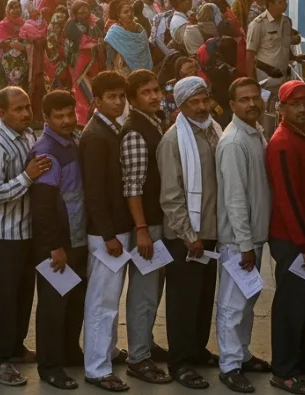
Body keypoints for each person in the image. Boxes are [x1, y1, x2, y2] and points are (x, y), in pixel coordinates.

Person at [0, 86, 52, 385]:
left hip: (26, 233)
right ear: (2, 113)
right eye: (18, 109)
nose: (25, 113)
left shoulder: (27, 136)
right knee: (3, 300)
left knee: (23, 297)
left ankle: (15, 348)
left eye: (27, 107)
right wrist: (27, 177)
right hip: (4, 236)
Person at [158, 75, 222, 388]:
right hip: (187, 237)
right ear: (180, 107)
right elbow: (171, 195)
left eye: (203, 100)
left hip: (210, 231)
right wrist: (188, 235)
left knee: (202, 297)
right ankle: (180, 362)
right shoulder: (173, 140)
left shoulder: (213, 130)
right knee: (183, 301)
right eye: (192, 103)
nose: (200, 107)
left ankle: (197, 350)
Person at [266, 80, 305, 393]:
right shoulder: (283, 142)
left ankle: (302, 360)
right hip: (292, 241)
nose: (304, 108)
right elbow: (287, 199)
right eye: (296, 103)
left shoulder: (303, 134)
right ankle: (284, 371)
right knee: (290, 306)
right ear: (282, 108)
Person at [214, 77, 273, 392]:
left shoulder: (256, 133)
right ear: (232, 105)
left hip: (252, 239)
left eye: (255, 98)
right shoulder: (235, 142)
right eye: (244, 99)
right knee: (232, 305)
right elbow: (235, 200)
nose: (252, 103)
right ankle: (229, 365)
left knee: (247, 302)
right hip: (239, 242)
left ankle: (243, 354)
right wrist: (245, 245)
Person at [30, 89, 89, 390]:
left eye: (70, 113)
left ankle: (69, 352)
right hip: (58, 245)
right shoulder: (46, 152)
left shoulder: (74, 141)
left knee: (74, 301)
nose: (67, 120)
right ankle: (50, 367)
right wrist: (55, 246)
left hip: (78, 240)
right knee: (53, 307)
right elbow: (42, 206)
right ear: (47, 119)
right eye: (60, 116)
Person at [118, 69, 173, 384]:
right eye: (146, 93)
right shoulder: (136, 132)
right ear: (133, 99)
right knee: (144, 292)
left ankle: (145, 343)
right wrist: (141, 229)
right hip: (147, 225)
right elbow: (133, 187)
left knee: (152, 290)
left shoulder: (154, 122)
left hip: (156, 222)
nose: (154, 96)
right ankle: (138, 358)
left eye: (156, 90)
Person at [80, 71, 134, 393]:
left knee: (111, 296)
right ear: (96, 101)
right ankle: (97, 368)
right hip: (106, 234)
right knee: (102, 301)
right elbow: (94, 193)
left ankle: (109, 351)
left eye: (121, 97)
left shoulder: (112, 130)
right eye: (111, 97)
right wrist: (108, 235)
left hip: (116, 229)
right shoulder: (97, 136)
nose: (118, 102)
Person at [245, 0, 299, 99]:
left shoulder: (287, 22)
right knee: (265, 113)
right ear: (270, 4)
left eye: (285, 1)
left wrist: (294, 57)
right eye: (280, 2)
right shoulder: (258, 24)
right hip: (266, 81)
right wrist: (252, 83)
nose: (285, 4)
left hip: (283, 78)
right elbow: (250, 56)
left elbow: (284, 46)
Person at [67, 0, 103, 125]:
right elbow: (82, 42)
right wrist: (94, 44)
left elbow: (101, 37)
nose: (84, 15)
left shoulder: (95, 23)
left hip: (95, 63)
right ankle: (83, 122)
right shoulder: (71, 25)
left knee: (95, 90)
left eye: (87, 11)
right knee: (83, 92)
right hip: (81, 63)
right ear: (75, 14)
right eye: (80, 13)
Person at [105, 0, 153, 76]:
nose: (130, 14)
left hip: (143, 67)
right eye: (125, 12)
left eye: (131, 11)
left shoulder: (140, 29)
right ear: (119, 15)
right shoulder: (114, 33)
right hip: (123, 69)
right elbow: (110, 56)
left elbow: (145, 51)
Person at [0, 0, 30, 91]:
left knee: (21, 90)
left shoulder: (25, 24)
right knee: (7, 90)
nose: (16, 10)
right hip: (7, 64)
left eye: (18, 7)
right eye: (12, 8)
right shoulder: (2, 25)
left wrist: (23, 47)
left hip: (22, 63)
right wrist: (9, 43)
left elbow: (30, 42)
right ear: (7, 10)